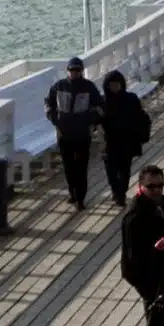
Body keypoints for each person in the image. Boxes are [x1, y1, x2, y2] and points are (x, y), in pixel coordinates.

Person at [121, 165, 164, 326]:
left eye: (160, 185)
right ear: (140, 186)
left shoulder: (161, 204)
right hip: (153, 284)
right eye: (151, 186)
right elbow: (131, 262)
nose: (157, 190)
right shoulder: (135, 217)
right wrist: (151, 291)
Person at [45, 56, 104, 211]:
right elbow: (48, 104)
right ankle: (72, 192)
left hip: (83, 133)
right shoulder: (59, 86)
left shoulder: (89, 87)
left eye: (78, 70)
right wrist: (54, 120)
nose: (75, 73)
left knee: (81, 166)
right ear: (67, 70)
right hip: (64, 133)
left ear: (82, 71)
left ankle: (80, 198)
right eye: (72, 70)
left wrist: (90, 121)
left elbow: (99, 107)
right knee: (68, 166)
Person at [101, 70, 151, 206]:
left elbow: (141, 117)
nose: (114, 86)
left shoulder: (131, 98)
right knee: (110, 170)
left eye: (117, 84)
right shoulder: (104, 101)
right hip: (110, 140)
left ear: (122, 84)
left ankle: (121, 194)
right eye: (111, 84)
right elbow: (99, 119)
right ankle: (115, 190)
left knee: (124, 169)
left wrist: (141, 135)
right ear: (107, 85)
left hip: (127, 140)